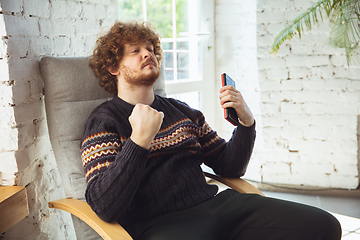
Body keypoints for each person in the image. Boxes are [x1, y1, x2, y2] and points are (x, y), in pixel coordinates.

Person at [81, 20, 342, 240]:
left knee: (325, 226)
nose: (147, 54)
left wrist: (246, 122)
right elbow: (104, 205)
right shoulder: (104, 121)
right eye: (135, 51)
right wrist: (139, 141)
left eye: (150, 49)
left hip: (217, 206)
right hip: (161, 225)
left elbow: (230, 167)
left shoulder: (182, 111)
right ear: (113, 67)